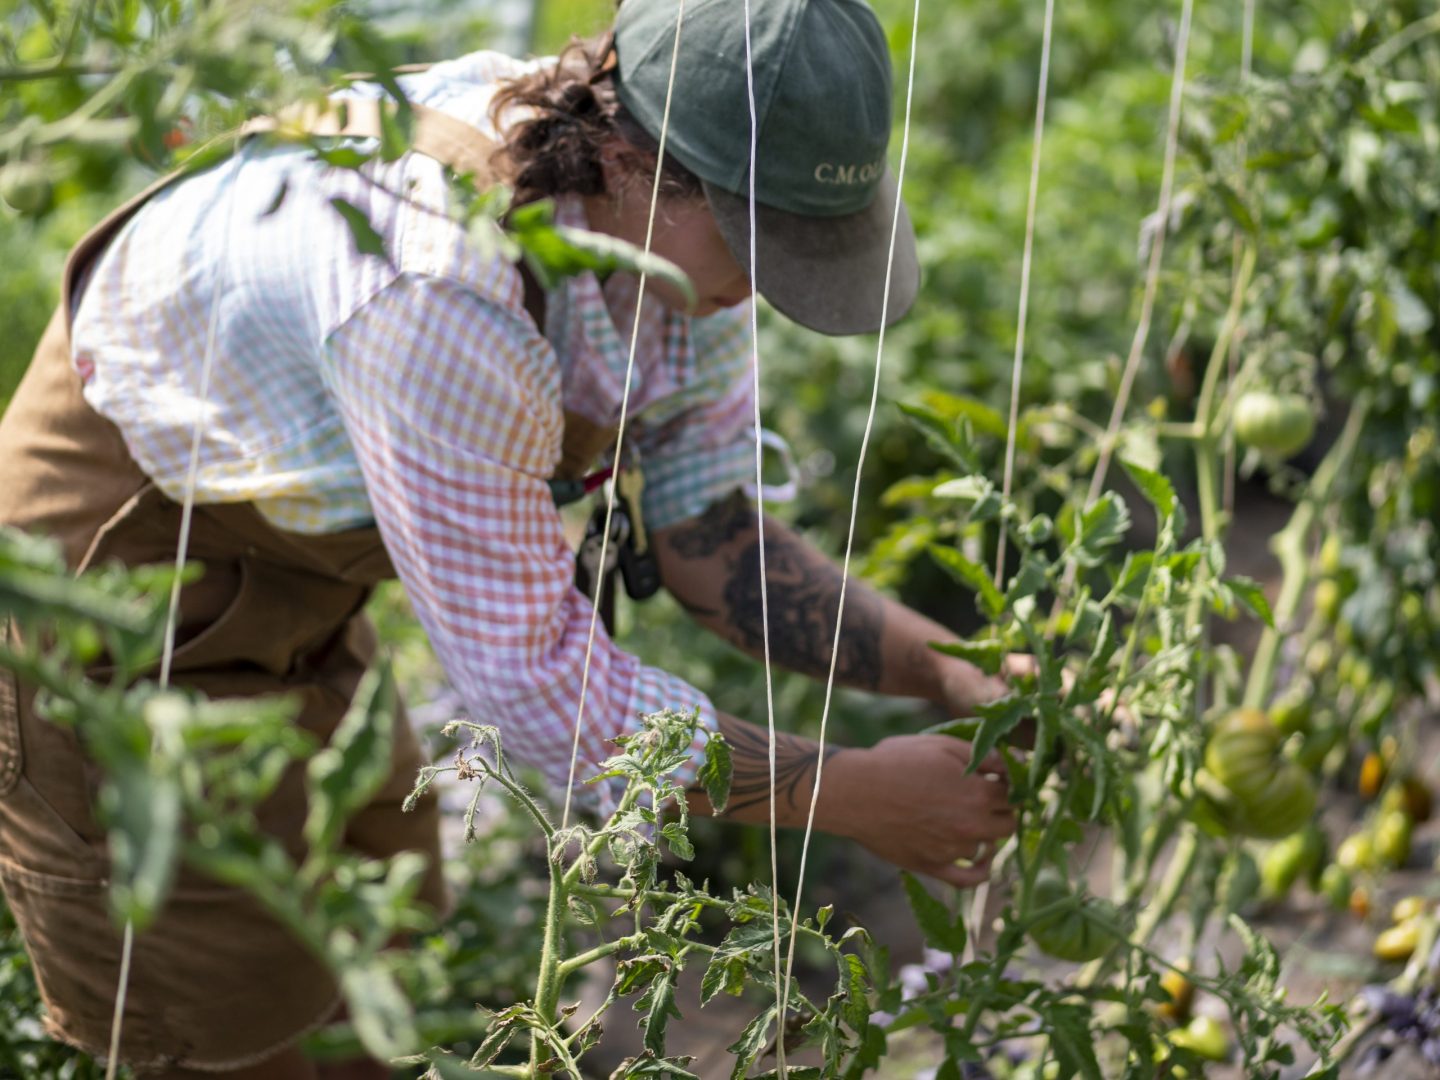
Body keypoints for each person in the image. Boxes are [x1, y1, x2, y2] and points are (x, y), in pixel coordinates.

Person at [0, 0, 1019, 1075]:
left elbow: (711, 536)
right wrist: (850, 793)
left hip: (293, 588)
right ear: (631, 158)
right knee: (220, 1023)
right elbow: (538, 690)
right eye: (757, 243)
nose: (763, 289)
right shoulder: (438, 282)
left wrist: (944, 670)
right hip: (104, 618)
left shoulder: (666, 254)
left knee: (367, 954)